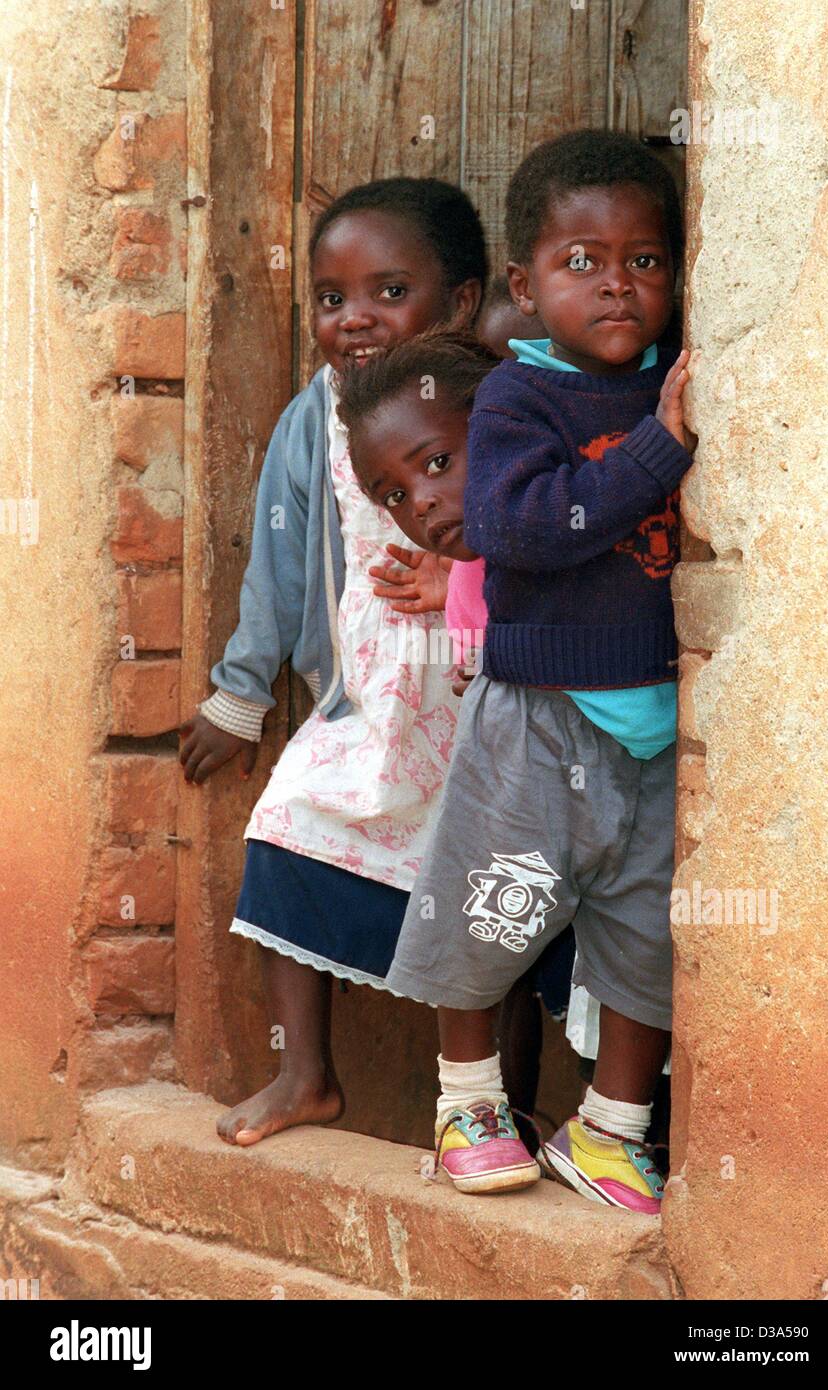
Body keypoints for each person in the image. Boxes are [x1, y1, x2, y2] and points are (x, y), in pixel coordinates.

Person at [351, 129, 696, 1210]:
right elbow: (524, 526)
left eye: (643, 260)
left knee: (648, 939)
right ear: (522, 284)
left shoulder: (676, 379)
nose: (615, 284)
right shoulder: (516, 400)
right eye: (580, 263)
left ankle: (612, 1130)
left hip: (653, 728)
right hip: (538, 715)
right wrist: (656, 450)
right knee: (491, 908)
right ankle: (466, 1101)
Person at [178, 177, 486, 1147]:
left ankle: (485, 1105)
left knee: (487, 899)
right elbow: (278, 558)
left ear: (463, 302)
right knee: (284, 824)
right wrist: (239, 690)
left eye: (388, 291)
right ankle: (304, 1073)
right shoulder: (313, 420)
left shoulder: (490, 401)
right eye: (330, 298)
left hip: (479, 699)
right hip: (362, 700)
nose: (354, 319)